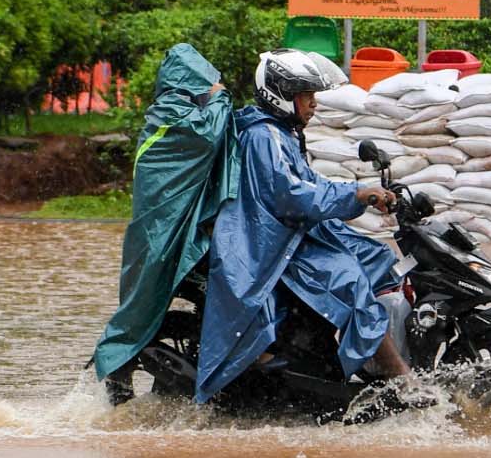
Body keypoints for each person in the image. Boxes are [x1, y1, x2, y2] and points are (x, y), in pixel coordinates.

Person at [195, 50, 414, 403]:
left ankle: (358, 354)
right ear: (280, 96)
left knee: (375, 257)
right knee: (350, 281)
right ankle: (402, 380)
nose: (313, 105)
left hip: (292, 230)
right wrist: (356, 195)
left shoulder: (282, 133)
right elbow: (294, 196)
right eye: (306, 97)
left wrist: (357, 193)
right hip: (269, 241)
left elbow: (308, 183)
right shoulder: (264, 136)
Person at [92, 44, 234, 404]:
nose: (211, 88)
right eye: (207, 82)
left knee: (140, 308)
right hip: (160, 236)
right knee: (140, 310)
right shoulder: (172, 114)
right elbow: (207, 134)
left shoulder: (167, 113)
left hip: (159, 233)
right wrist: (221, 96)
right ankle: (118, 375)